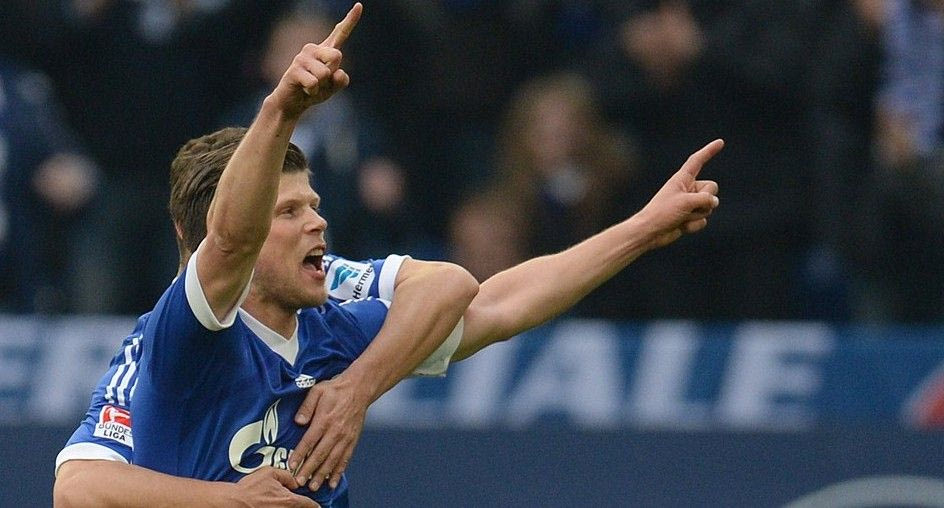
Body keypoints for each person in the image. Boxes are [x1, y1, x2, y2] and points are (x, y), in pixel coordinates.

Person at [55, 4, 724, 505]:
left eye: (313, 203)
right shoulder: (182, 338)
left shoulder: (334, 327)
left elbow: (478, 295)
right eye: (288, 212)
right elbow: (78, 489)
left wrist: (643, 228)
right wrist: (282, 110)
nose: (317, 220)